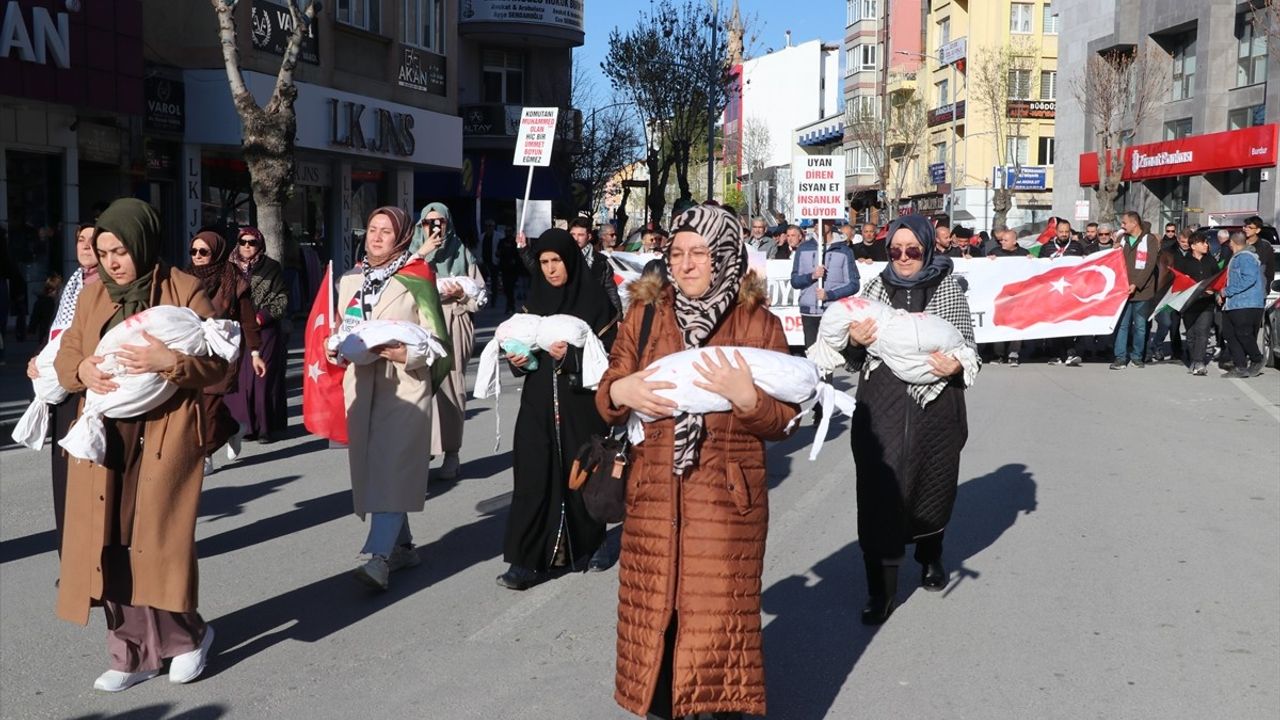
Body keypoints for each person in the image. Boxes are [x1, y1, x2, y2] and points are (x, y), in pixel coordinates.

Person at [596, 204, 798, 720]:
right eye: (678, 254)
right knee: (657, 634)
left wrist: (749, 400)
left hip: (726, 506)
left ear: (725, 257)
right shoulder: (644, 316)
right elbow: (604, 393)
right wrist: (623, 388)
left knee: (714, 638)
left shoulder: (757, 324)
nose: (685, 265)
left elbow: (786, 420)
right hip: (652, 499)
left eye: (699, 254)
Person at [52, 198, 225, 692]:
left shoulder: (184, 288)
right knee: (107, 542)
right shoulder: (91, 296)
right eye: (104, 252)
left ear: (143, 243)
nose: (112, 261)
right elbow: (68, 356)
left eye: (121, 250)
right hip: (105, 435)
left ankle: (186, 639)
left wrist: (166, 359)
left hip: (163, 434)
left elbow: (218, 366)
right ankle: (130, 652)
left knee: (158, 543)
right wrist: (81, 370)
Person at [845, 214, 977, 626]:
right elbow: (851, 357)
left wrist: (953, 365)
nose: (903, 258)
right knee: (878, 494)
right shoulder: (873, 289)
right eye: (896, 250)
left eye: (912, 250)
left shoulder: (948, 289)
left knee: (930, 485)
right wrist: (854, 341)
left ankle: (931, 555)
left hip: (934, 407)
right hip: (881, 405)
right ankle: (879, 592)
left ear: (927, 249)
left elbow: (969, 348)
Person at [333, 206, 451, 591]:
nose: (377, 236)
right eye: (372, 229)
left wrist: (408, 354)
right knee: (375, 467)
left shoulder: (418, 276)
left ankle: (378, 559)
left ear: (401, 236)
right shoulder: (350, 279)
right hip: (363, 384)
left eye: (386, 231)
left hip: (405, 383)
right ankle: (403, 547)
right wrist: (333, 348)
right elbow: (340, 326)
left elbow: (438, 341)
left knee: (396, 464)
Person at [497, 228, 617, 590]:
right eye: (545, 262)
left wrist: (573, 357)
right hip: (537, 405)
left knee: (582, 473)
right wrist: (517, 360)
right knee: (533, 476)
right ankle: (525, 560)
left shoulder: (597, 303)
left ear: (571, 261)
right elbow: (523, 350)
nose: (550, 269)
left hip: (580, 406)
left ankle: (592, 542)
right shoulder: (534, 302)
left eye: (557, 261)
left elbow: (613, 358)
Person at [25, 222, 99, 555]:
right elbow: (59, 332)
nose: (85, 246)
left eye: (93, 241)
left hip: (93, 388)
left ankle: (92, 562)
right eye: (80, 240)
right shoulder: (73, 282)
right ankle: (72, 559)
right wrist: (39, 357)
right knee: (65, 476)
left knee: (90, 477)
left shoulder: (108, 284)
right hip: (63, 386)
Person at [412, 202, 487, 481]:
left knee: (451, 387)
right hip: (421, 323)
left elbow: (479, 296)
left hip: (453, 321)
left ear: (448, 223)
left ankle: (452, 453)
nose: (434, 227)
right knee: (419, 388)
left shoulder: (462, 252)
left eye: (439, 221)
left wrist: (461, 296)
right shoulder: (413, 253)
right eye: (428, 222)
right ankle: (422, 451)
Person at [187, 230, 263, 475]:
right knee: (199, 404)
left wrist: (255, 353)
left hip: (223, 350)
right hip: (193, 349)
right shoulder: (183, 278)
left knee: (209, 403)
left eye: (203, 251)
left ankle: (205, 454)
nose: (197, 256)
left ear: (216, 252)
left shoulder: (234, 280)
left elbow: (248, 319)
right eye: (193, 251)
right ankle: (232, 428)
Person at [223, 227, 289, 444]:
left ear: (260, 244)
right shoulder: (228, 268)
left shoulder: (271, 267)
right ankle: (243, 427)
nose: (247, 246)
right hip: (237, 330)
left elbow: (281, 298)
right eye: (243, 242)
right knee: (239, 379)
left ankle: (264, 428)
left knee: (262, 379)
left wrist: (261, 318)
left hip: (265, 330)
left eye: (252, 242)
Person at [791, 222, 859, 353]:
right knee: (812, 355)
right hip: (809, 312)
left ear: (831, 223)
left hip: (832, 311)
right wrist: (812, 276)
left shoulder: (844, 250)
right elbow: (795, 281)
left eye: (823, 221)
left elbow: (853, 285)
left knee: (829, 357)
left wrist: (829, 295)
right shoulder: (803, 248)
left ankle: (827, 375)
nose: (818, 224)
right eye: (815, 221)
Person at [1112, 211, 1159, 369]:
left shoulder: (1149, 240)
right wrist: (1114, 250)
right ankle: (1120, 357)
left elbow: (1149, 265)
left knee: (1140, 326)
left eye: (1124, 223)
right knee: (1122, 325)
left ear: (1134, 223)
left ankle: (1137, 356)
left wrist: (1137, 284)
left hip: (1142, 292)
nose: (1122, 226)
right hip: (1123, 290)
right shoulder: (1122, 239)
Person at [1218, 232, 1266, 378]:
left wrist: (1227, 291)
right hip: (1236, 303)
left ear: (1233, 242)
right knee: (1229, 333)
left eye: (1230, 243)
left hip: (1245, 303)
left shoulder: (1245, 257)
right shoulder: (1240, 256)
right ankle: (1240, 366)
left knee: (1243, 333)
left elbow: (1249, 279)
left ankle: (1257, 359)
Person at [1042, 219, 1088, 366]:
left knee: (1068, 323)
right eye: (1061, 231)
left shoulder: (1077, 247)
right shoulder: (1046, 247)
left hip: (1070, 292)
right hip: (1052, 292)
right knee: (1054, 323)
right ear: (1056, 232)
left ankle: (1070, 353)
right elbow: (1038, 268)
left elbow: (1085, 265)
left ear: (1070, 232)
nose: (1063, 234)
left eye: (1066, 232)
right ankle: (1055, 355)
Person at [1176, 233, 1220, 375]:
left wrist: (1215, 290)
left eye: (1206, 243)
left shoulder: (1211, 261)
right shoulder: (1184, 262)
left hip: (1207, 303)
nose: (1206, 245)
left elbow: (1218, 279)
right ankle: (1194, 361)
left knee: (1203, 332)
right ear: (1193, 246)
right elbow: (1176, 282)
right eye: (1203, 243)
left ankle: (1199, 362)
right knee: (1191, 335)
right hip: (1189, 304)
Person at [984, 229, 1030, 366]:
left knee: (1016, 323)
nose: (1002, 242)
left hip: (1018, 296)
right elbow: (986, 270)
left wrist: (1032, 261)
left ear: (1014, 241)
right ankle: (998, 354)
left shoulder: (1024, 254)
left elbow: (1033, 270)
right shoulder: (995, 253)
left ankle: (1013, 353)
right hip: (1000, 295)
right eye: (1001, 240)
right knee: (999, 323)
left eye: (1005, 240)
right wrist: (989, 261)